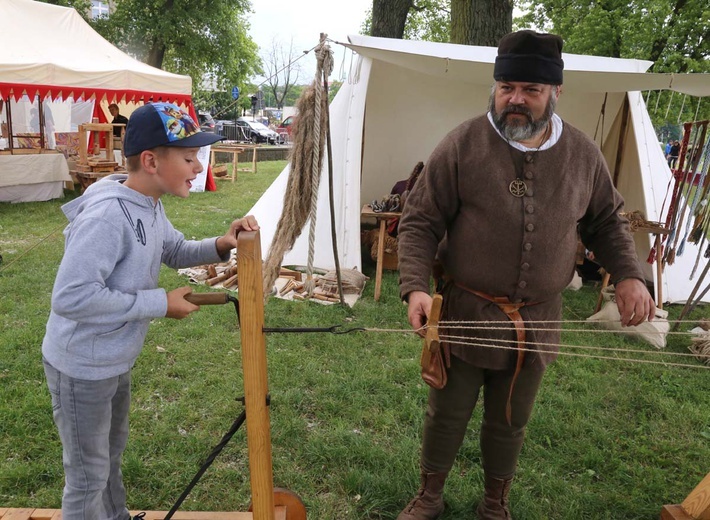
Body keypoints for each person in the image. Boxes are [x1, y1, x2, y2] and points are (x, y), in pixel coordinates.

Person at [396, 30, 655, 520]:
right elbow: (419, 222)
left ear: (556, 92)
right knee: (446, 413)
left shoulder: (582, 154)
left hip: (536, 322)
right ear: (494, 87)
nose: (515, 99)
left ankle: (496, 501)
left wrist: (629, 274)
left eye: (530, 90)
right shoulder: (462, 144)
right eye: (506, 86)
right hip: (466, 313)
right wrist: (414, 287)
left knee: (510, 420)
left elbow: (606, 221)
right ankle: (429, 494)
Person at [41, 101, 259, 520]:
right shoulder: (108, 215)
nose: (198, 167)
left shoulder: (147, 203)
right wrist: (159, 303)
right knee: (88, 475)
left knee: (109, 454)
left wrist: (222, 242)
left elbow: (173, 249)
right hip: (81, 366)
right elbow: (71, 297)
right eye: (189, 157)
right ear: (150, 161)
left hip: (111, 360)